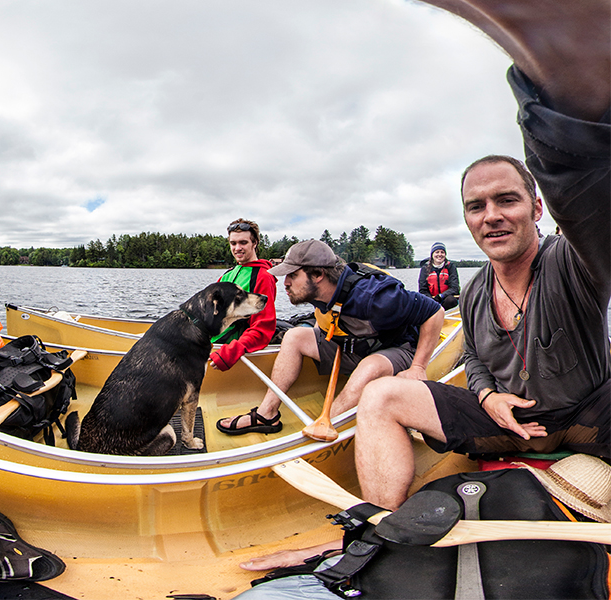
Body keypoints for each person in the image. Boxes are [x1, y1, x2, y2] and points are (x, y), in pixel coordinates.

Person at [239, 0, 610, 586]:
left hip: (591, 419)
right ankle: (376, 533)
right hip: (508, 423)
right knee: (384, 397)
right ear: (465, 220)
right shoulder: (480, 286)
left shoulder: (575, 261)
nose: (491, 215)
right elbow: (472, 359)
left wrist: (561, 90)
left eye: (507, 199)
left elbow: (592, 202)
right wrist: (486, 399)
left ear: (537, 208)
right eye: (476, 206)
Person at [216, 240, 444, 436]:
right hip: (352, 344)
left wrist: (418, 367)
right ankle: (267, 414)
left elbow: (435, 312)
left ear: (318, 274)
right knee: (294, 336)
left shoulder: (376, 298)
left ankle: (327, 424)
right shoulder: (319, 292)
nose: (285, 283)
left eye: (293, 276)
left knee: (369, 366)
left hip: (395, 348)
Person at [208, 219, 278, 371]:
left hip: (228, 349)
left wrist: (232, 352)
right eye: (233, 243)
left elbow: (263, 328)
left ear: (255, 243)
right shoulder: (227, 275)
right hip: (211, 341)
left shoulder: (263, 276)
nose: (237, 248)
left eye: (243, 243)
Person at [418, 242, 460, 309]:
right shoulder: (425, 269)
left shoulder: (450, 267)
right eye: (437, 252)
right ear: (432, 254)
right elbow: (423, 290)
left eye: (442, 252)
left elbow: (455, 288)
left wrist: (441, 296)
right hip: (431, 300)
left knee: (451, 301)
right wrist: (431, 300)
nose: (440, 254)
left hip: (446, 299)